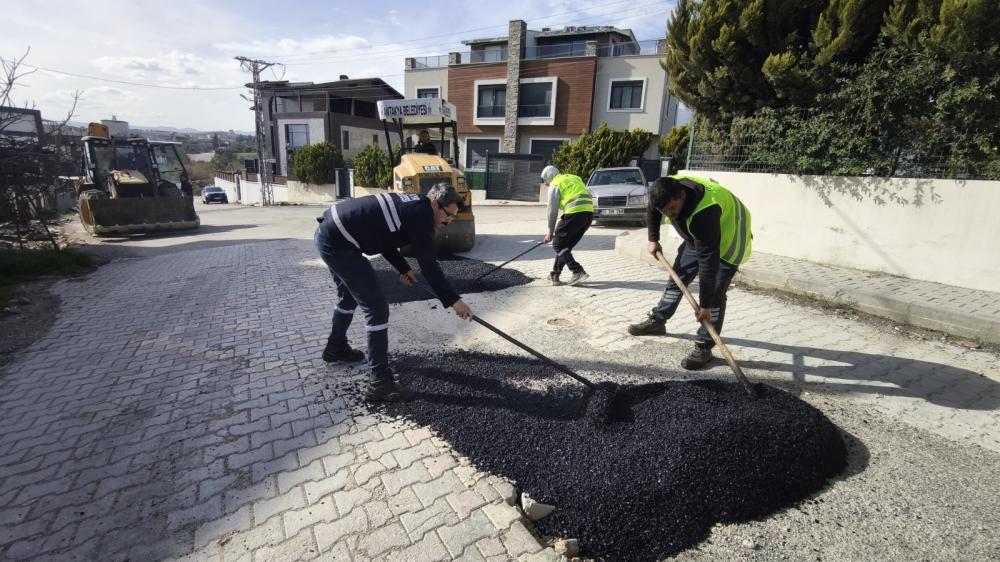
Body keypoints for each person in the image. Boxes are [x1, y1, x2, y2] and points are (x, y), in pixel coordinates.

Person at [314, 183, 473, 401]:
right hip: (339, 242)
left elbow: (383, 237)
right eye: (448, 215)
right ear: (435, 204)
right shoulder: (422, 216)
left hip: (330, 233)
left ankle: (336, 347)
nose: (449, 221)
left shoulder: (415, 204)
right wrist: (455, 301)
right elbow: (429, 267)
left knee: (348, 297)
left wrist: (403, 268)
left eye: (453, 217)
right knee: (377, 309)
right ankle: (380, 382)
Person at [627, 176, 752, 370]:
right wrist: (653, 239)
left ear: (682, 196)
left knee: (715, 296)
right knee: (677, 278)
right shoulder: (663, 192)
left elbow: (708, 262)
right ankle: (658, 321)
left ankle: (704, 346)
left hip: (730, 240)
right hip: (699, 237)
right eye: (664, 211)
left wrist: (705, 305)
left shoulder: (705, 211)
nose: (669, 214)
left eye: (672, 209)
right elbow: (653, 209)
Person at [541, 165, 593, 286]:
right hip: (588, 214)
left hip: (574, 213)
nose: (546, 184)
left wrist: (550, 232)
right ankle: (555, 274)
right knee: (565, 246)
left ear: (549, 178)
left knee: (558, 244)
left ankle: (577, 271)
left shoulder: (555, 184)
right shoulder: (574, 178)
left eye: (545, 181)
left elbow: (552, 211)